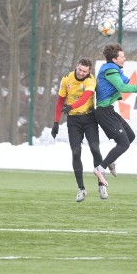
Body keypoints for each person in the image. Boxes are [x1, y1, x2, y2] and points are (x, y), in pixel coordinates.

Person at [93, 43, 137, 198]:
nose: (125, 59)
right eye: (122, 57)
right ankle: (100, 168)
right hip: (104, 112)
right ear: (114, 59)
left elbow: (125, 83)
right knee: (124, 144)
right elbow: (122, 87)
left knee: (130, 136)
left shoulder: (113, 69)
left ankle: (109, 161)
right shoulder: (109, 70)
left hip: (110, 110)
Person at [51, 58, 105, 202]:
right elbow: (60, 102)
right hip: (73, 121)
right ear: (76, 67)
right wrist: (56, 122)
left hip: (89, 118)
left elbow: (86, 97)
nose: (81, 73)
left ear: (89, 72)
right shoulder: (66, 79)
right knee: (76, 153)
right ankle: (81, 189)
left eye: (84, 71)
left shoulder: (91, 81)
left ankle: (101, 184)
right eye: (79, 69)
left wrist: (71, 106)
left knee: (95, 148)